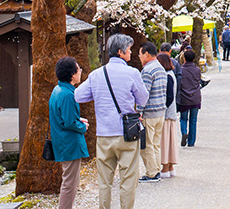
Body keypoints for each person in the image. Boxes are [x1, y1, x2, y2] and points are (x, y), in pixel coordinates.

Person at [75, 33, 150, 209]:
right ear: (120, 52)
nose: (131, 53)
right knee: (128, 179)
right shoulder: (132, 73)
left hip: (104, 135)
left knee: (104, 182)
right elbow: (143, 100)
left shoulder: (96, 75)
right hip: (127, 134)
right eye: (129, 50)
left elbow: (78, 95)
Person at [50, 57, 89, 209]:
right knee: (70, 183)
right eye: (78, 69)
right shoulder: (67, 94)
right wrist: (82, 126)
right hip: (69, 143)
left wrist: (79, 120)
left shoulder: (58, 90)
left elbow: (64, 117)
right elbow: (69, 122)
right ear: (72, 74)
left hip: (63, 141)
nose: (80, 72)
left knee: (70, 180)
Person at [138, 42, 167, 183]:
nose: (139, 57)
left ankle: (151, 173)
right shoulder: (160, 68)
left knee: (147, 144)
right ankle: (156, 170)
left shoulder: (147, 71)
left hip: (149, 113)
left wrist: (138, 111)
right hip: (160, 111)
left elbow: (144, 94)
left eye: (140, 54)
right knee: (155, 143)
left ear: (146, 54)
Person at [157, 52, 180, 178]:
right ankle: (170, 167)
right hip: (171, 113)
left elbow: (169, 96)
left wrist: (162, 107)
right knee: (170, 141)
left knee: (165, 141)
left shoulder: (167, 76)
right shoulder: (171, 75)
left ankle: (165, 167)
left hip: (166, 114)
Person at [178, 49, 203, 147]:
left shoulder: (181, 70)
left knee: (183, 118)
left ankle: (184, 132)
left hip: (184, 98)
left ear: (184, 59)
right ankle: (191, 141)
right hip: (195, 97)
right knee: (193, 120)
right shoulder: (197, 70)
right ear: (194, 59)